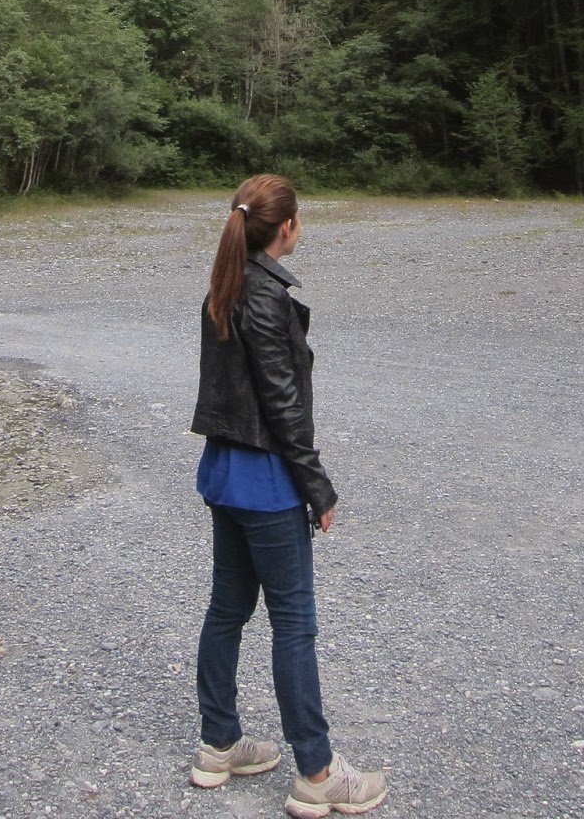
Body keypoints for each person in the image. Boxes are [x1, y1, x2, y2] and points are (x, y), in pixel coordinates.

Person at [189, 174, 388, 818]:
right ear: (286, 228)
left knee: (227, 610)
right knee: (294, 624)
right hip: (267, 480)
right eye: (299, 220)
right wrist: (317, 486)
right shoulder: (265, 296)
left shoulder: (225, 284)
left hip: (224, 473)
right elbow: (282, 405)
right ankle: (318, 774)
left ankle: (218, 747)